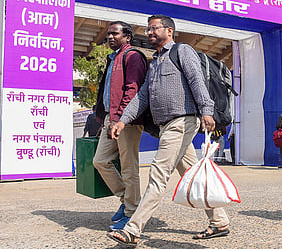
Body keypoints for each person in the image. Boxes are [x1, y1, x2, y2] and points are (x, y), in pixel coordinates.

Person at [107, 14, 230, 246]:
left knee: (158, 173)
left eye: (154, 28)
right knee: (192, 176)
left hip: (182, 121)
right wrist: (123, 120)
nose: (150, 33)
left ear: (169, 31)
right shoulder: (154, 63)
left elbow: (196, 80)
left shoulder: (181, 51)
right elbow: (142, 96)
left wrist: (206, 110)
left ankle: (133, 228)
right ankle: (219, 221)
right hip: (167, 126)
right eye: (148, 29)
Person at [93, 21, 148, 231]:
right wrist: (105, 119)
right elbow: (109, 93)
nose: (110, 37)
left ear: (127, 37)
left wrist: (121, 119)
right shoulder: (113, 58)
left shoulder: (132, 56)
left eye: (115, 34)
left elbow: (132, 90)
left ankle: (132, 212)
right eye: (108, 34)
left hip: (127, 120)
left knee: (129, 167)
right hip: (111, 118)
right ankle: (127, 199)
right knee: (101, 161)